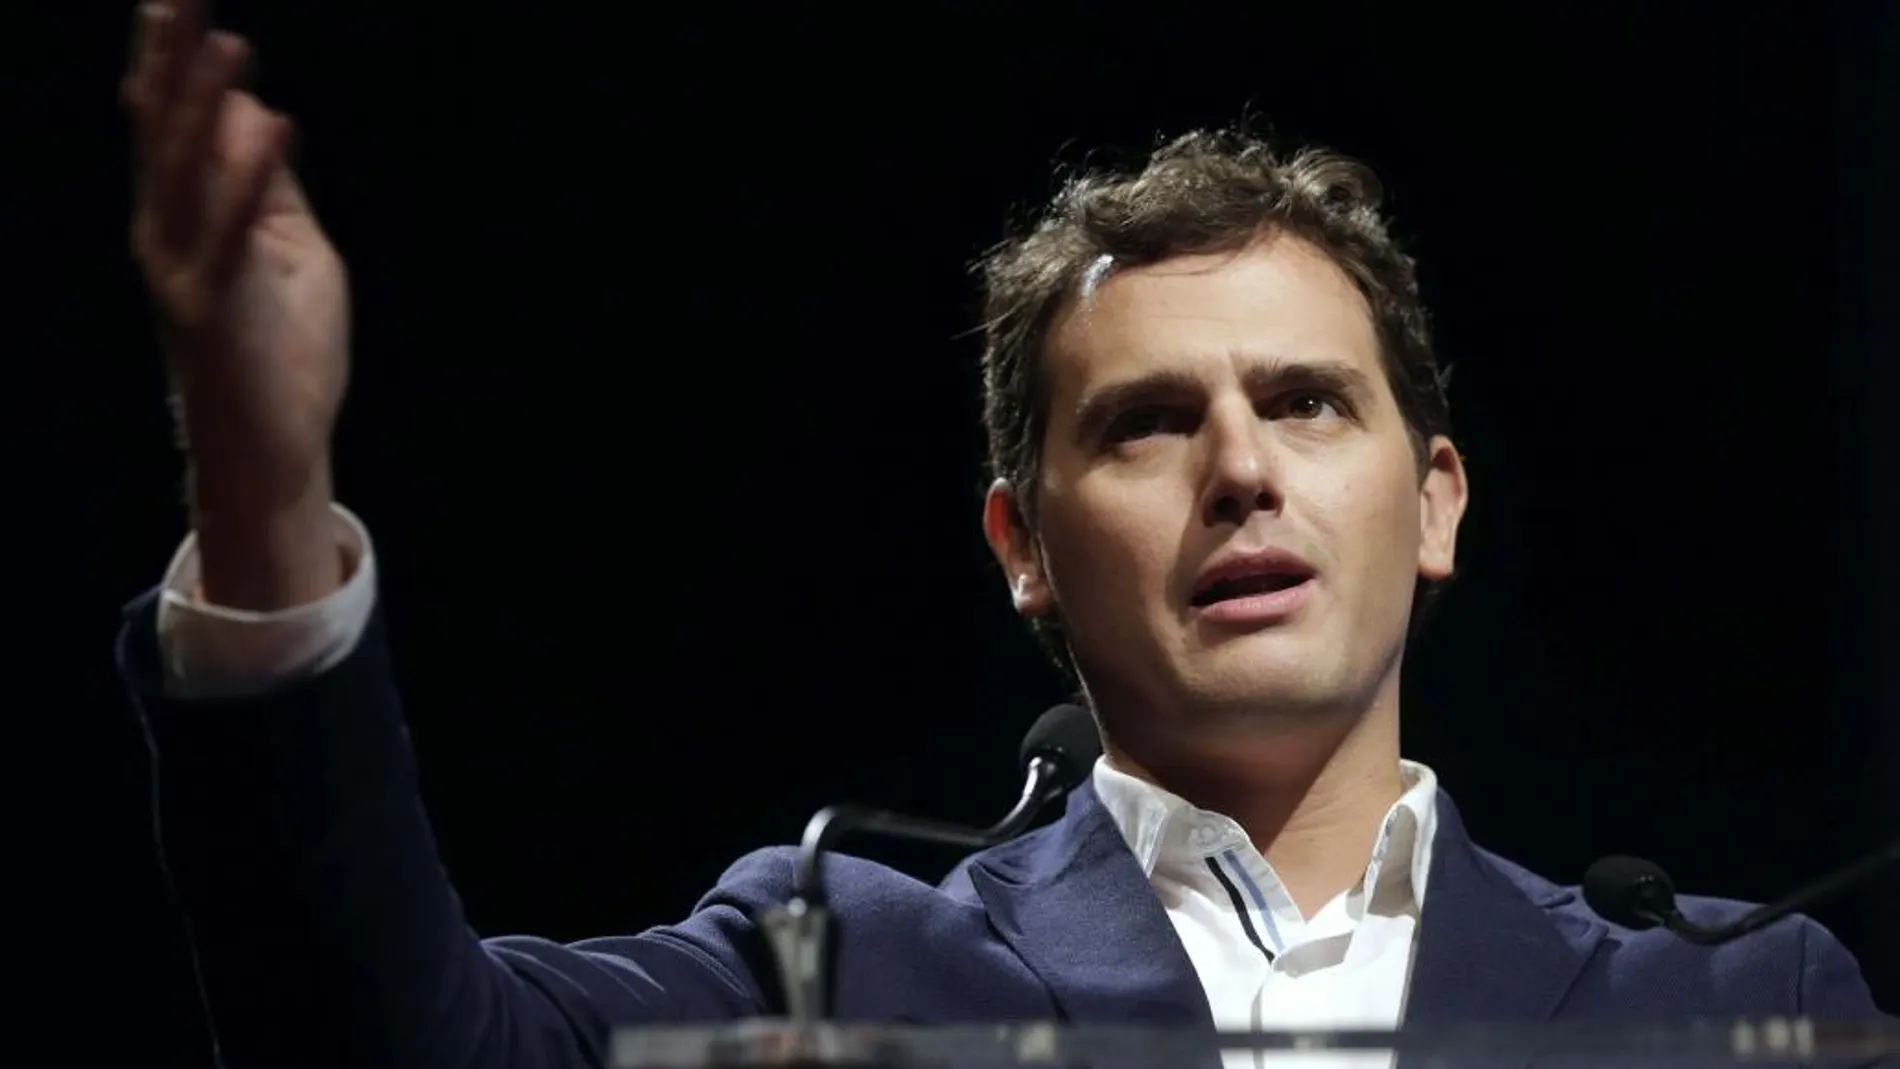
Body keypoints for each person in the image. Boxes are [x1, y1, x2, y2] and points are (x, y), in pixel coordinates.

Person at [117, 4, 1887, 1068]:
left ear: (1434, 504)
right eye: (1145, 424)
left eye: (1307, 402)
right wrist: (265, 493)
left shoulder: (1736, 994)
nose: (1242, 471)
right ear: (1022, 544)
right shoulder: (832, 967)